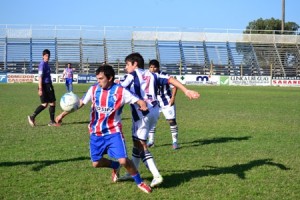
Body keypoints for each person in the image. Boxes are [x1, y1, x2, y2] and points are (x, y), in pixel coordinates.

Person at [55, 65, 152, 194]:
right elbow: (79, 104)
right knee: (96, 163)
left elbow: (139, 100)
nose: (98, 81)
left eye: (101, 78)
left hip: (113, 132)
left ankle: (140, 182)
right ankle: (114, 166)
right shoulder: (93, 89)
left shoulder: (121, 91)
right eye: (97, 78)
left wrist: (143, 105)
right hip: (96, 133)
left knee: (123, 160)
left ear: (110, 78)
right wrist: (62, 114)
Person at [118, 52, 200, 187]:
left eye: (127, 64)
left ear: (135, 64)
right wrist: (186, 91)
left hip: (141, 113)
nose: (126, 68)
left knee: (141, 144)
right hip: (154, 111)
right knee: (136, 142)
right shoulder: (153, 74)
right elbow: (171, 80)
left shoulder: (131, 75)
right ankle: (133, 171)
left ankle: (156, 175)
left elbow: (119, 89)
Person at [147, 59, 179, 150]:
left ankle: (175, 141)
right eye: (151, 67)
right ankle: (151, 141)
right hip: (154, 103)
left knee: (171, 121)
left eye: (154, 67)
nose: (153, 69)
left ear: (158, 67)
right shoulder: (147, 76)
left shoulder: (164, 76)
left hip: (167, 101)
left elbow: (174, 85)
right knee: (152, 121)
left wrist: (173, 98)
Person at [27, 49, 60, 127]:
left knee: (46, 104)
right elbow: (40, 77)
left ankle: (33, 117)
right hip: (45, 86)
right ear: (43, 56)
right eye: (46, 55)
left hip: (48, 85)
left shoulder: (47, 64)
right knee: (50, 103)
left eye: (48, 55)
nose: (47, 57)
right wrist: (40, 88)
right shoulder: (42, 64)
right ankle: (51, 122)